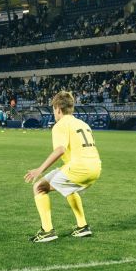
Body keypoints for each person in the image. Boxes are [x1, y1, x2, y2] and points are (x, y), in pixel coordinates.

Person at [24, 91, 102, 243]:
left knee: (39, 187)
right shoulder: (83, 124)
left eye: (54, 109)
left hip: (79, 168)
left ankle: (47, 231)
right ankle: (82, 226)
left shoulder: (60, 125)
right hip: (96, 167)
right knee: (67, 186)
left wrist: (39, 170)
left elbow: (60, 150)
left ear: (58, 109)